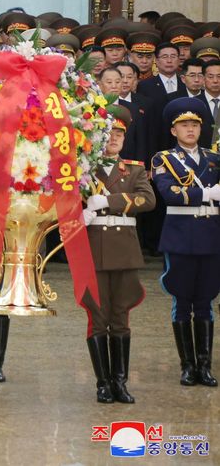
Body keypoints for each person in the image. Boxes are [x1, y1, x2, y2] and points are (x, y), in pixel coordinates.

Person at [81, 106, 155, 403]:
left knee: (121, 316)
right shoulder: (83, 169)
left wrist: (107, 200)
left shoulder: (134, 168)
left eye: (119, 133)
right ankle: (102, 383)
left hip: (124, 250)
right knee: (98, 317)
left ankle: (120, 382)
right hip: (94, 250)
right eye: (109, 132)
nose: (114, 137)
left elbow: (147, 200)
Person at [152, 97, 220, 388]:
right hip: (180, 235)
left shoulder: (214, 158)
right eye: (184, 125)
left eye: (194, 124)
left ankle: (204, 365)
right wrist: (205, 194)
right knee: (182, 300)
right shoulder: (162, 158)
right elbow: (168, 193)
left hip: (211, 236)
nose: (190, 130)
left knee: (206, 300)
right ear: (173, 130)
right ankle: (187, 366)